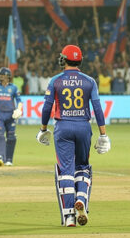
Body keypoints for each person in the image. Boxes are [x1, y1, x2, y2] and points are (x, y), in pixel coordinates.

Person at [37, 44, 109, 228]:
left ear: (63, 59)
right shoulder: (90, 81)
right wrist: (103, 135)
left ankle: (69, 216)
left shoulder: (55, 80)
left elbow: (47, 107)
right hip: (83, 127)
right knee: (82, 167)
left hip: (63, 127)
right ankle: (81, 200)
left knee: (65, 170)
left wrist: (43, 128)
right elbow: (98, 108)